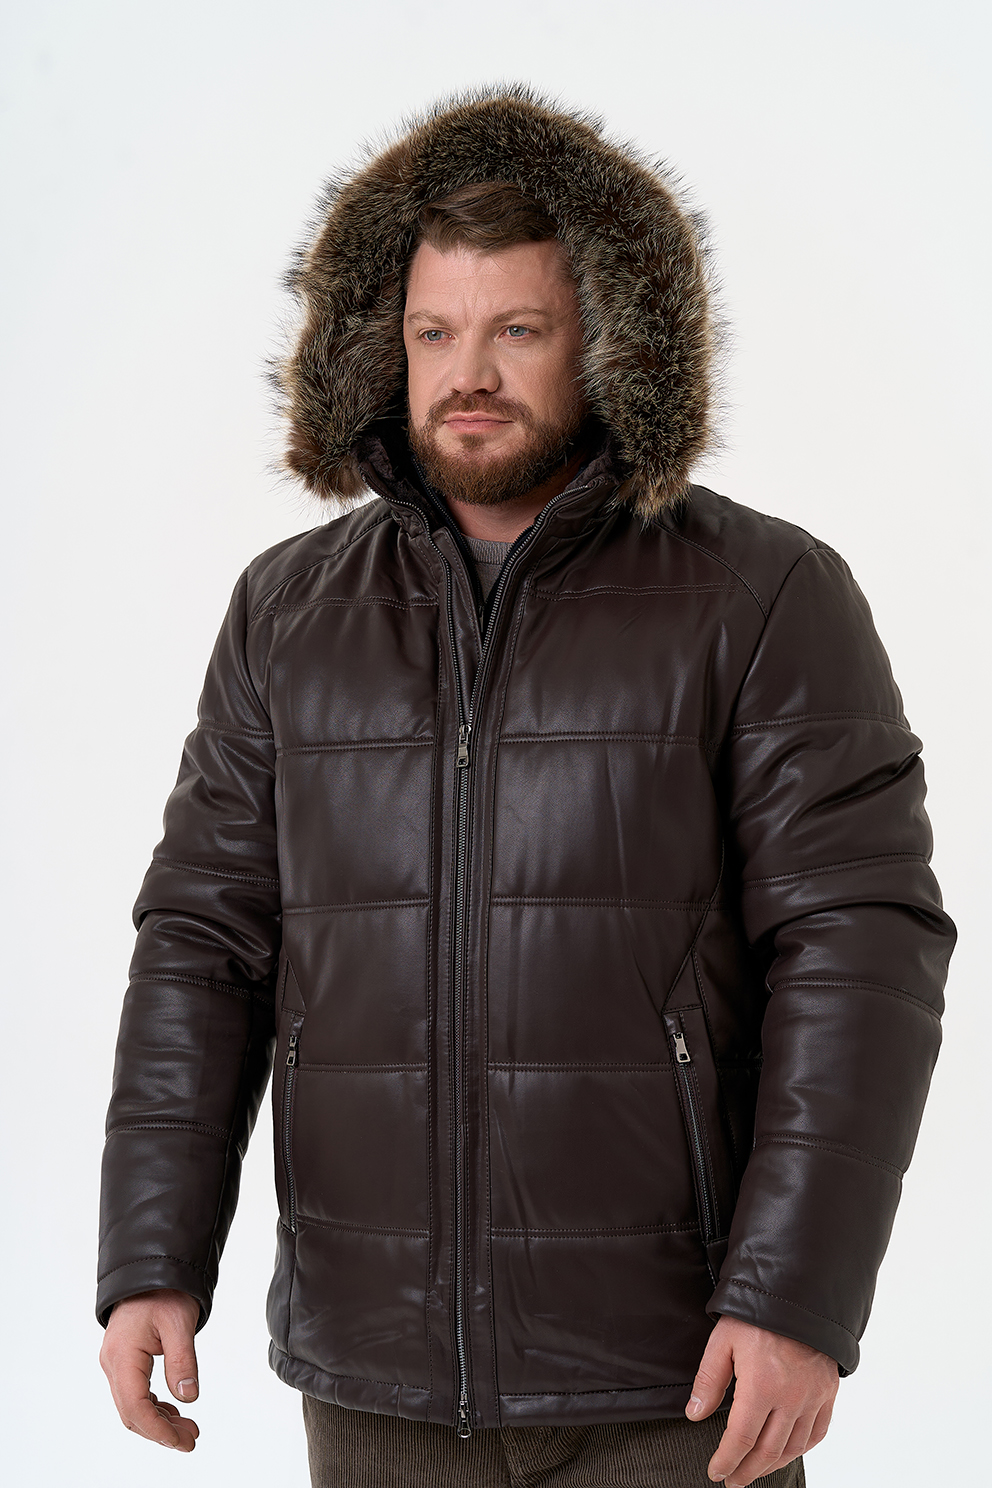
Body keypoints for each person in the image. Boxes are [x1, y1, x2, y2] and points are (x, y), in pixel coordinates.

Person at [97, 87, 955, 1488]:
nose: (469, 374)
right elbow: (204, 943)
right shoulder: (287, 613)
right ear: (382, 346)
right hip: (375, 1378)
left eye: (518, 330)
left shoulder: (761, 594)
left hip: (678, 1377)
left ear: (609, 338)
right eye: (434, 333)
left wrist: (797, 1297)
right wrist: (151, 1255)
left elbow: (860, 948)